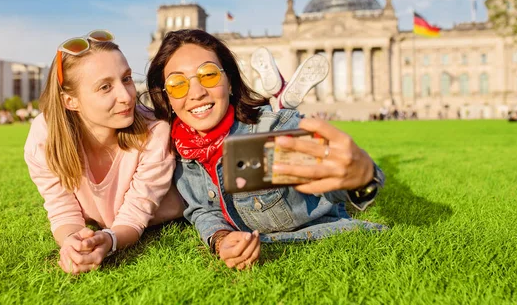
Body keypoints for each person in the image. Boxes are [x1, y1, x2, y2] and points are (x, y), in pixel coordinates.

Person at [146, 29, 385, 270]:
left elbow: (331, 181)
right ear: (167, 99)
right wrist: (221, 239)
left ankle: (281, 96)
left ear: (229, 82)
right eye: (178, 84)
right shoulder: (177, 152)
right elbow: (202, 211)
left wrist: (362, 179)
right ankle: (281, 92)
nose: (196, 93)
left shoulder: (275, 129)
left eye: (208, 75)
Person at [24, 30, 183, 275]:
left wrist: (109, 241)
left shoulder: (155, 133)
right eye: (105, 87)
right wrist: (72, 242)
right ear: (70, 101)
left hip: (161, 215)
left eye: (127, 78)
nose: (126, 96)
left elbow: (135, 215)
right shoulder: (45, 138)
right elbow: (62, 209)